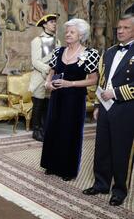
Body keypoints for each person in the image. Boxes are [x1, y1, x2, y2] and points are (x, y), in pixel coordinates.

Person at [83, 14, 134, 206]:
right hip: (105, 107)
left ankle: (119, 190)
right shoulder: (110, 51)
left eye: (125, 28)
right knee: (102, 147)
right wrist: (97, 105)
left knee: (122, 149)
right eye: (118, 28)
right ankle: (101, 183)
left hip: (126, 107)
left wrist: (117, 93)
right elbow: (102, 80)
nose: (120, 31)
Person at [41, 18, 99, 181]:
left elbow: (93, 79)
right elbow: (51, 72)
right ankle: (51, 165)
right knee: (53, 129)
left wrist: (70, 83)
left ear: (81, 35)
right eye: (67, 31)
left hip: (74, 99)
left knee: (69, 132)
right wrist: (48, 83)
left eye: (72, 32)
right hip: (57, 97)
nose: (68, 34)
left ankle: (67, 169)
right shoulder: (58, 51)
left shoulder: (90, 54)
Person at [29, 13, 61, 141]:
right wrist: (49, 70)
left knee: (48, 105)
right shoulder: (37, 41)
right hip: (40, 77)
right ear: (44, 24)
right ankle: (36, 130)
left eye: (55, 22)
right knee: (38, 105)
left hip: (52, 78)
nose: (54, 24)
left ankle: (45, 128)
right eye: (51, 22)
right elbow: (35, 61)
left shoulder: (57, 41)